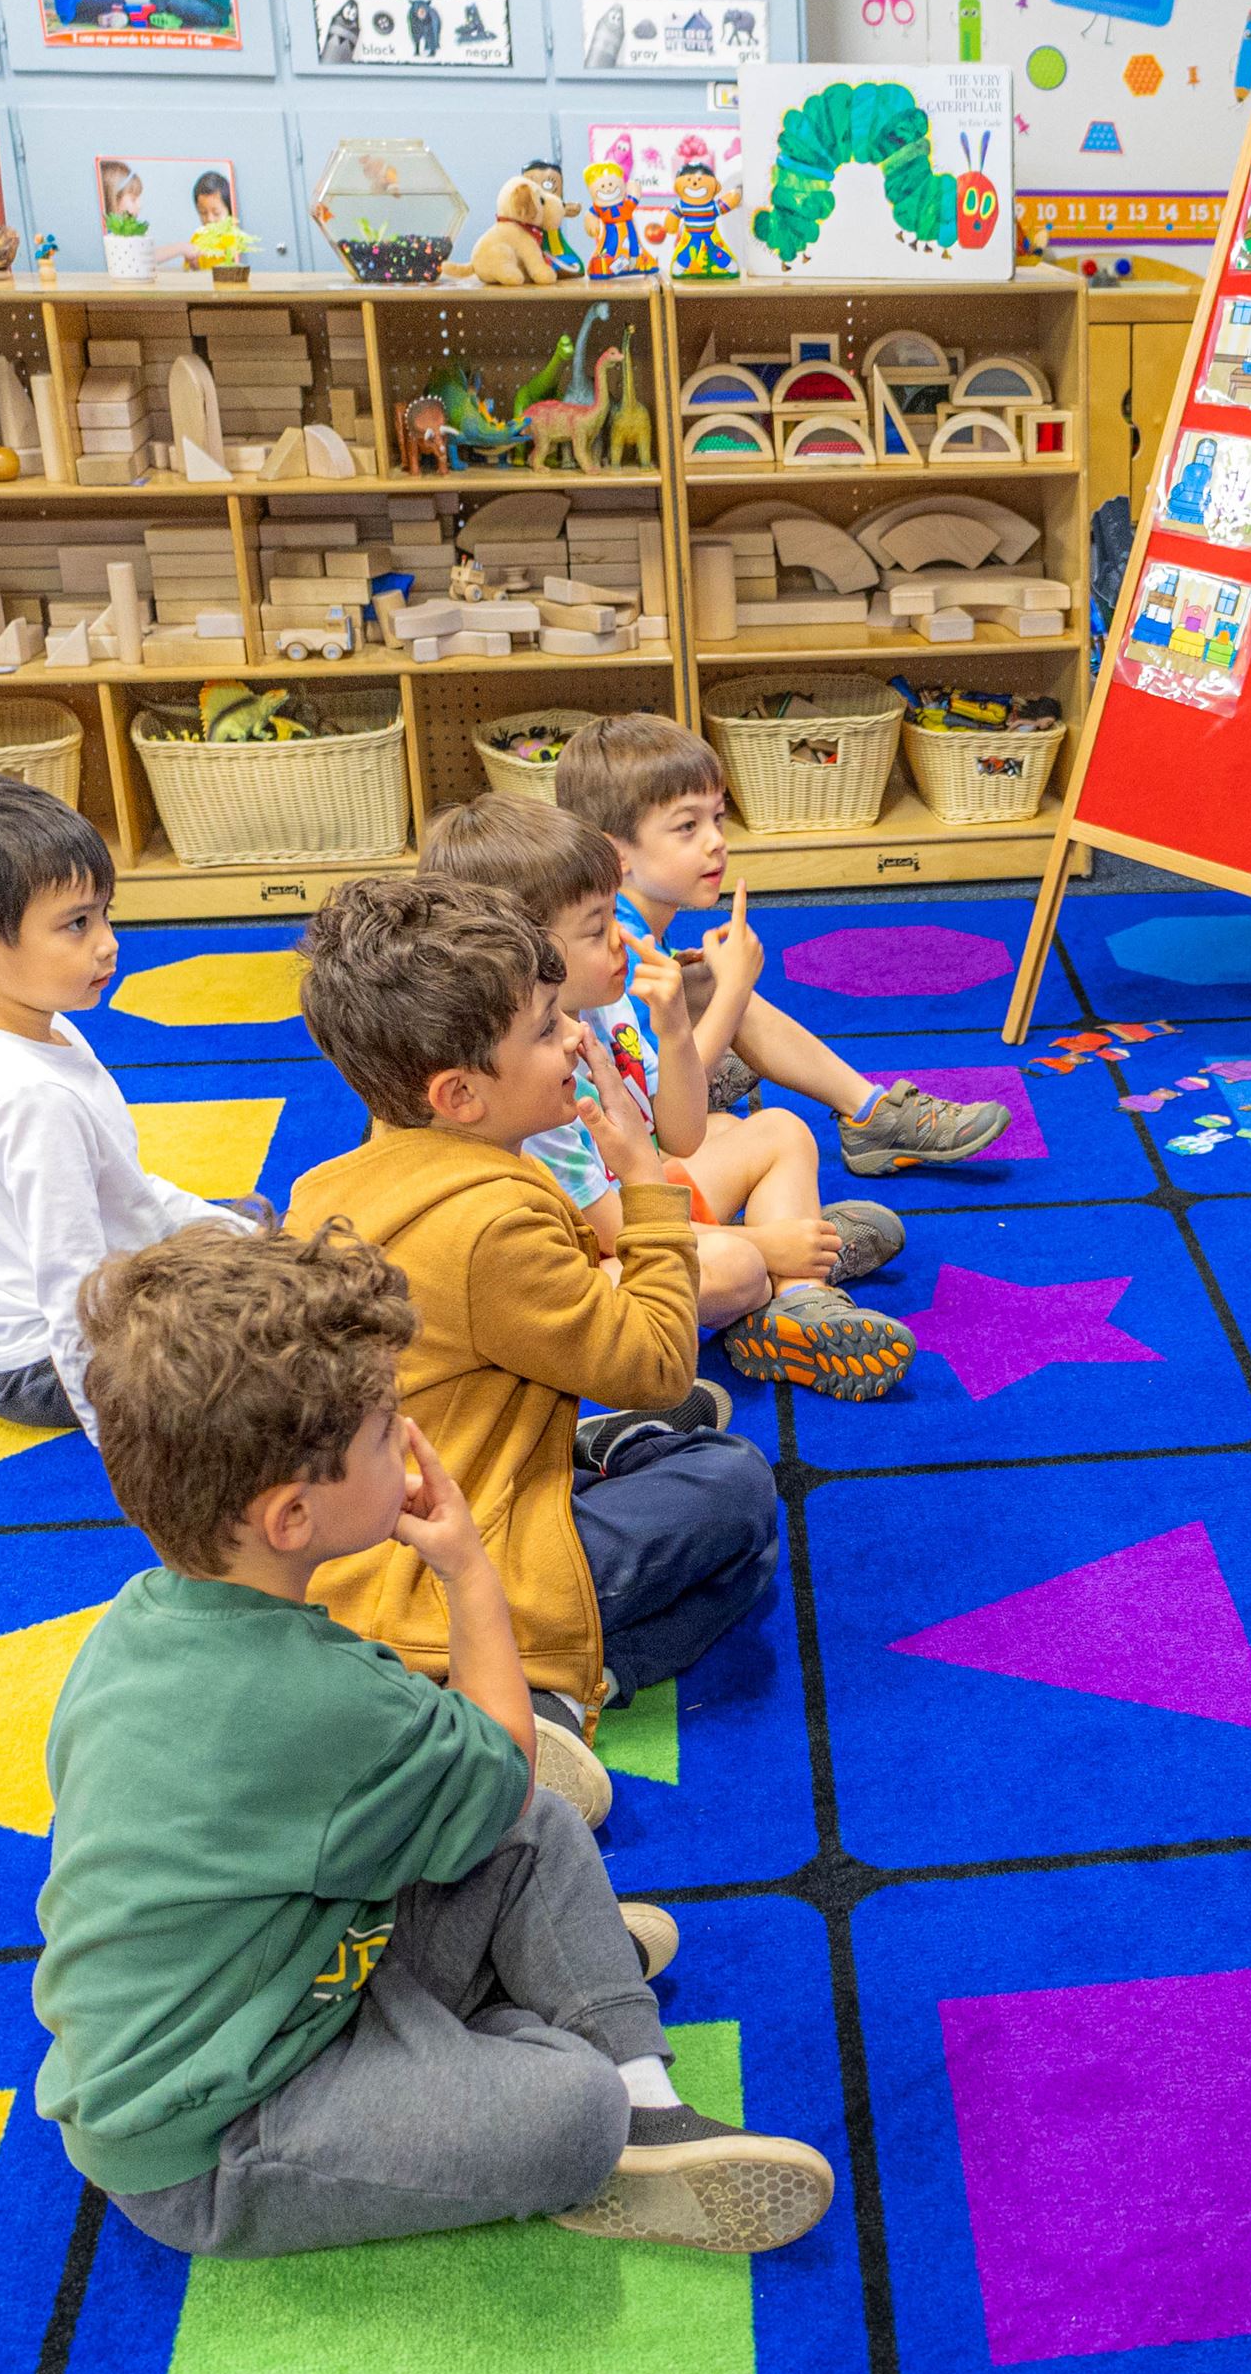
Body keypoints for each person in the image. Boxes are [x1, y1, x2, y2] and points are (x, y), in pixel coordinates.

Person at [36, 1218, 834, 2259]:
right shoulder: (324, 1699)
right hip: (215, 2136)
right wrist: (466, 1572)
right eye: (385, 1431)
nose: (410, 1439)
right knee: (569, 2105)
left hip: (289, 1971)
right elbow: (504, 1767)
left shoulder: (134, 1622)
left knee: (544, 1833)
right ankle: (597, 2078)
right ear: (289, 1516)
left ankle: (622, 2071)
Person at [287, 874, 780, 1810]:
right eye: (549, 1028)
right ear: (462, 1093)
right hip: (445, 1561)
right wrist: (648, 1190)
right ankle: (539, 1692)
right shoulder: (494, 1223)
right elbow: (655, 1362)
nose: (578, 1039)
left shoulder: (329, 1182)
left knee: (664, 1429)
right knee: (736, 1492)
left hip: (379, 1510)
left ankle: (598, 1470)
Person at [419, 792, 915, 1398]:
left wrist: (676, 1027)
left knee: (779, 1129)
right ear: (521, 954)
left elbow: (680, 1134)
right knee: (737, 1266)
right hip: (592, 1253)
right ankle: (783, 1263)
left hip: (644, 1197)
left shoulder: (600, 1008)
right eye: (598, 929)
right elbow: (607, 1228)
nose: (620, 942)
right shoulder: (525, 1077)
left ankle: (799, 1300)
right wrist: (762, 1241)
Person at [0, 776, 263, 1438]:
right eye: (77, 924)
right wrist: (114, 1421)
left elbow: (126, 1188)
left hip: (65, 1294)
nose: (108, 942)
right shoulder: (32, 1098)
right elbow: (72, 1283)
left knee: (247, 1236)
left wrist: (237, 1242)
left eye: (105, 913)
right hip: (37, 1362)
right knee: (264, 1348)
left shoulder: (31, 1025)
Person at [554, 714, 1013, 1182]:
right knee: (727, 1020)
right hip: (629, 1152)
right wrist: (734, 989)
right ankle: (865, 1117)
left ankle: (871, 1113)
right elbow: (665, 1116)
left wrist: (712, 986)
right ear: (617, 855)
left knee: (704, 984)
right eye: (687, 826)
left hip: (643, 1115)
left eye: (717, 818)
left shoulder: (627, 923)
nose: (716, 842)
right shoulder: (617, 948)